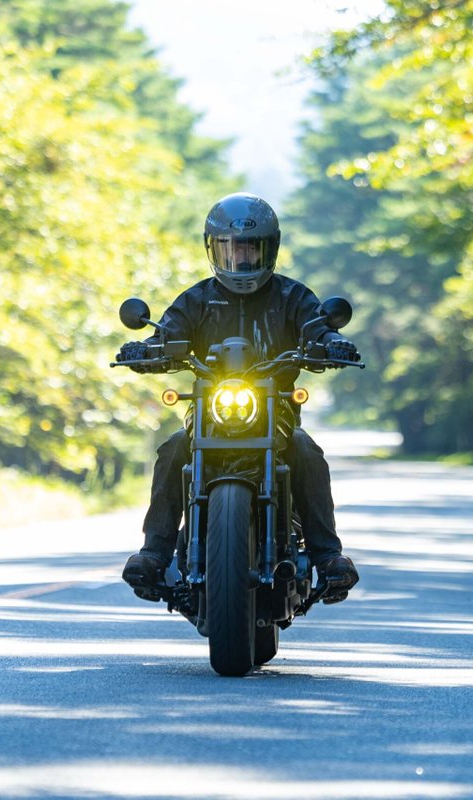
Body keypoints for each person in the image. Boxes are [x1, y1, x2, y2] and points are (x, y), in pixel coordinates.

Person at [117, 192, 360, 602]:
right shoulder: (196, 299)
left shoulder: (292, 297)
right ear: (214, 248)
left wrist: (333, 343)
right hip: (208, 416)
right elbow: (167, 333)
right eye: (232, 247)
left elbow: (319, 328)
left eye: (251, 247)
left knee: (305, 451)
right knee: (174, 449)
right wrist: (146, 349)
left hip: (275, 415)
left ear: (270, 248)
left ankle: (327, 556)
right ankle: (154, 554)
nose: (242, 258)